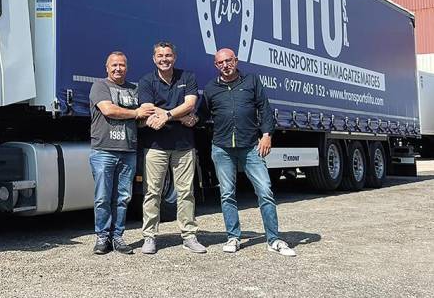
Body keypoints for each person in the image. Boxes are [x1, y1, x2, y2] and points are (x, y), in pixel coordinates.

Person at [203, 48, 297, 257]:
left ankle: (274, 239)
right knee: (227, 194)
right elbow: (202, 115)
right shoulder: (211, 88)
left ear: (236, 60)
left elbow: (264, 108)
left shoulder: (251, 81)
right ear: (216, 65)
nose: (225, 65)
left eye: (229, 61)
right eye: (220, 63)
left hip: (250, 147)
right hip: (222, 147)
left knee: (265, 191)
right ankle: (233, 237)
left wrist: (267, 135)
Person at [137, 42, 207, 254]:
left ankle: (189, 236)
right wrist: (179, 116)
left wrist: (167, 115)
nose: (164, 59)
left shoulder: (187, 77)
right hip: (155, 145)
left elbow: (190, 105)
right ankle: (149, 237)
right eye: (160, 55)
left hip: (184, 146)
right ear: (154, 58)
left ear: (174, 57)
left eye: (168, 55)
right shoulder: (147, 81)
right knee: (152, 192)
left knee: (186, 192)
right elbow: (147, 110)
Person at [89, 51, 152, 255]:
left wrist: (155, 117)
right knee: (102, 197)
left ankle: (118, 236)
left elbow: (142, 119)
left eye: (122, 65)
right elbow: (108, 110)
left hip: (128, 151)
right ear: (106, 67)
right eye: (114, 65)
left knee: (123, 197)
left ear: (127, 67)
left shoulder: (135, 89)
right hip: (104, 150)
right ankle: (102, 237)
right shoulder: (100, 86)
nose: (118, 69)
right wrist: (136, 113)